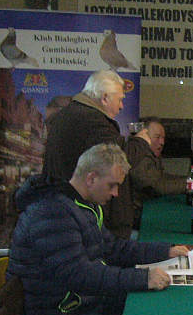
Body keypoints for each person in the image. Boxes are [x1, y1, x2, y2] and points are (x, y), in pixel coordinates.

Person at [8, 143, 189, 315]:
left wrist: (164, 251)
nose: (115, 193)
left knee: (149, 313)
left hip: (78, 302)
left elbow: (112, 248)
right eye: (112, 185)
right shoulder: (52, 213)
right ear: (91, 178)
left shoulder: (81, 205)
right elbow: (79, 274)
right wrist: (143, 278)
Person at [42, 69, 134, 238]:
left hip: (60, 212)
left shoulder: (66, 115)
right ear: (105, 98)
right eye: (120, 100)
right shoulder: (97, 125)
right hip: (84, 223)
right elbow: (114, 173)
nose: (121, 106)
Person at [126, 117, 185, 229]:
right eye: (157, 137)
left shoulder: (150, 154)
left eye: (163, 138)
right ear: (143, 136)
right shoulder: (139, 155)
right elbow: (156, 186)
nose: (162, 143)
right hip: (138, 218)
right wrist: (191, 184)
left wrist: (189, 179)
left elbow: (161, 177)